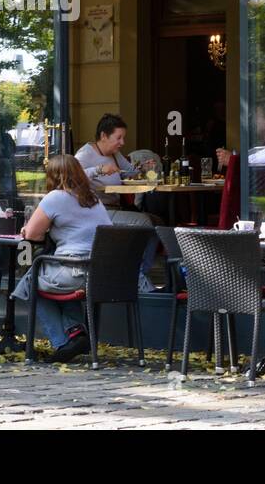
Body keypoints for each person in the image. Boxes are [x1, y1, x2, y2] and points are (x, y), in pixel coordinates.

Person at [11, 153, 113, 363]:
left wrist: (33, 228)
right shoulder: (92, 198)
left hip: (74, 270)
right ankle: (76, 332)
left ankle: (61, 342)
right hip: (99, 274)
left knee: (30, 282)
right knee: (53, 279)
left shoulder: (56, 197)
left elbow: (31, 235)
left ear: (53, 176)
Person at [73, 113, 158, 284]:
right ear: (104, 136)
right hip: (97, 211)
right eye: (119, 138)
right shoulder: (85, 154)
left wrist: (145, 168)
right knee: (146, 224)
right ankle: (138, 279)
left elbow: (130, 172)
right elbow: (72, 178)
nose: (122, 143)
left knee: (158, 223)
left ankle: (139, 274)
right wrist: (99, 169)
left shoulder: (114, 154)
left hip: (115, 208)